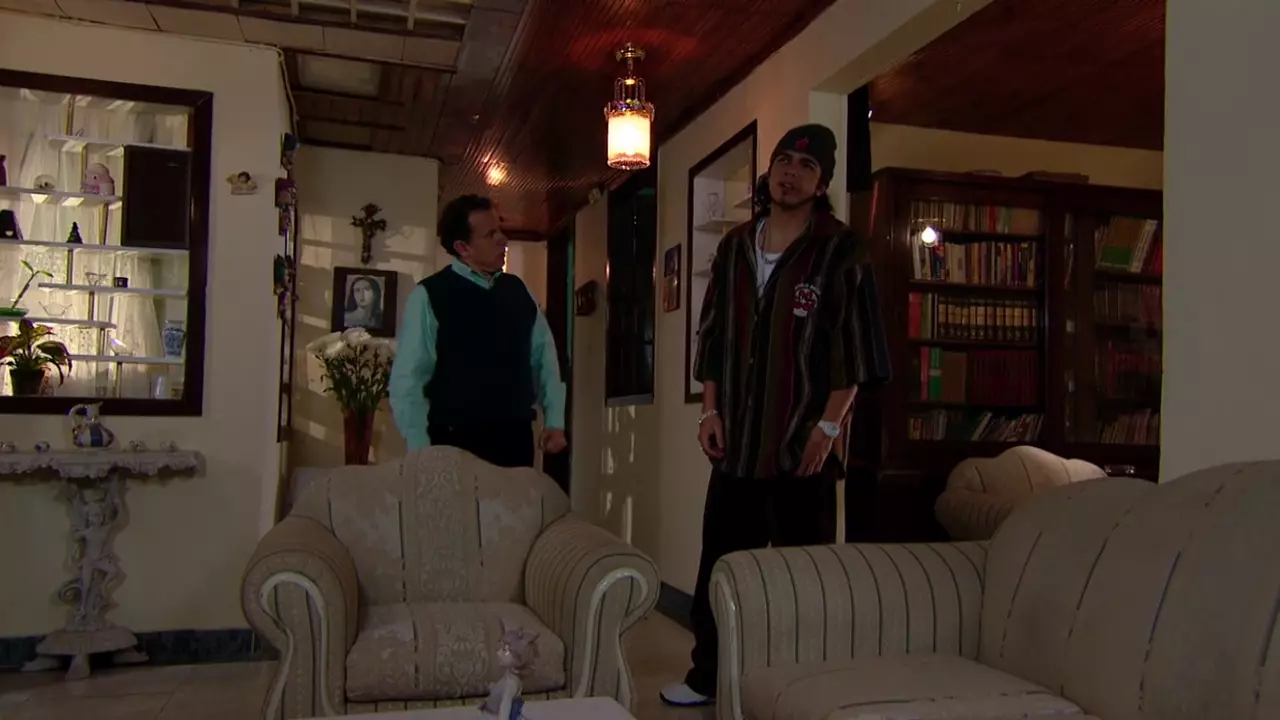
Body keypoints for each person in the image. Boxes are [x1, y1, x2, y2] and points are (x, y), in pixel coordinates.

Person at [660, 124, 892, 707]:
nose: (791, 172)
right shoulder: (735, 246)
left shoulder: (841, 249)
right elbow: (713, 336)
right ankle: (706, 677)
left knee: (802, 578)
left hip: (802, 449)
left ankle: (800, 688)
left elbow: (854, 351)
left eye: (806, 166)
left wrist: (829, 428)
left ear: (822, 182)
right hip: (735, 446)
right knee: (719, 566)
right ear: (769, 170)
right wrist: (708, 412)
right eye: (784, 160)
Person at [389, 194, 568, 468]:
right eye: (490, 234)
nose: (503, 239)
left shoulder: (519, 292)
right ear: (463, 247)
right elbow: (408, 381)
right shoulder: (429, 296)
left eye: (500, 229)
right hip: (451, 443)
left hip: (515, 440)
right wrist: (421, 452)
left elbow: (544, 358)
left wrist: (555, 421)